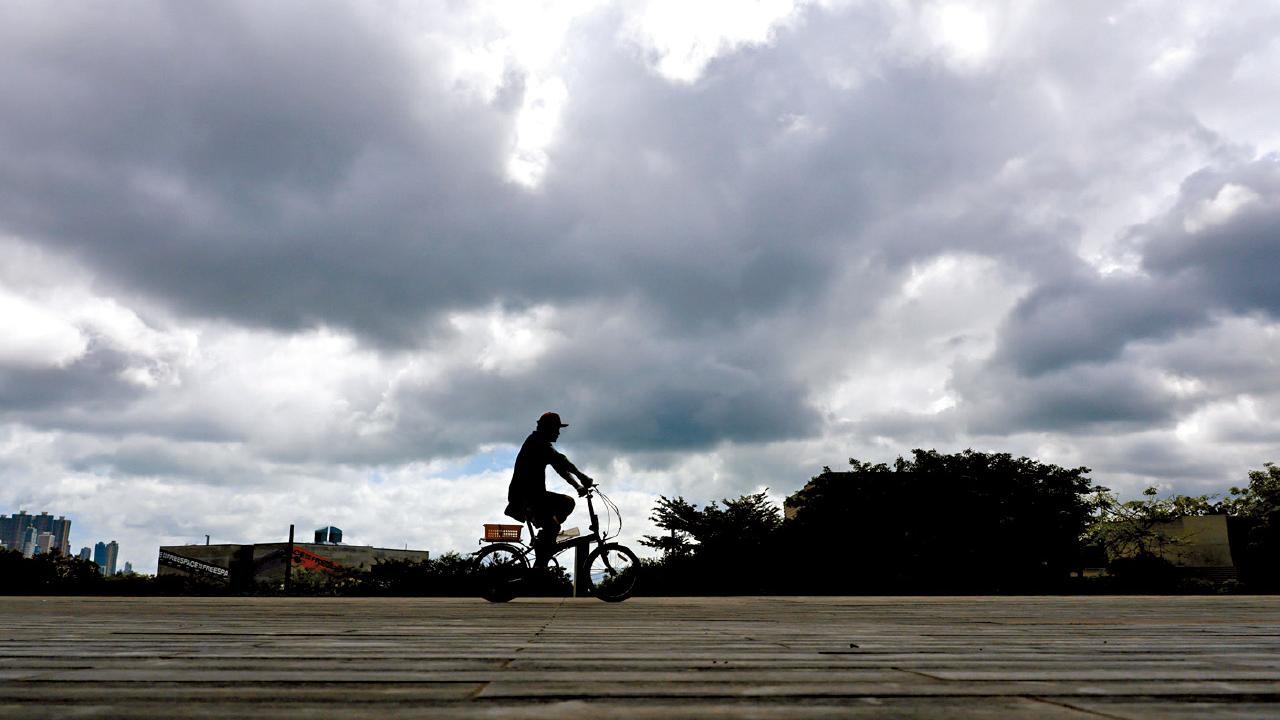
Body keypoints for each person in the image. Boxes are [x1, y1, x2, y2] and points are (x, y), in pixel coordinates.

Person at [505, 411, 594, 565]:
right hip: (526, 497)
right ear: (548, 428)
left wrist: (577, 486)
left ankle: (545, 539)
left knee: (566, 505)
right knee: (555, 522)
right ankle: (541, 558)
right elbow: (561, 460)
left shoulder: (540, 443)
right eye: (557, 429)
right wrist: (582, 476)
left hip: (533, 496)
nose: (559, 433)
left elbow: (560, 469)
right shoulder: (537, 443)